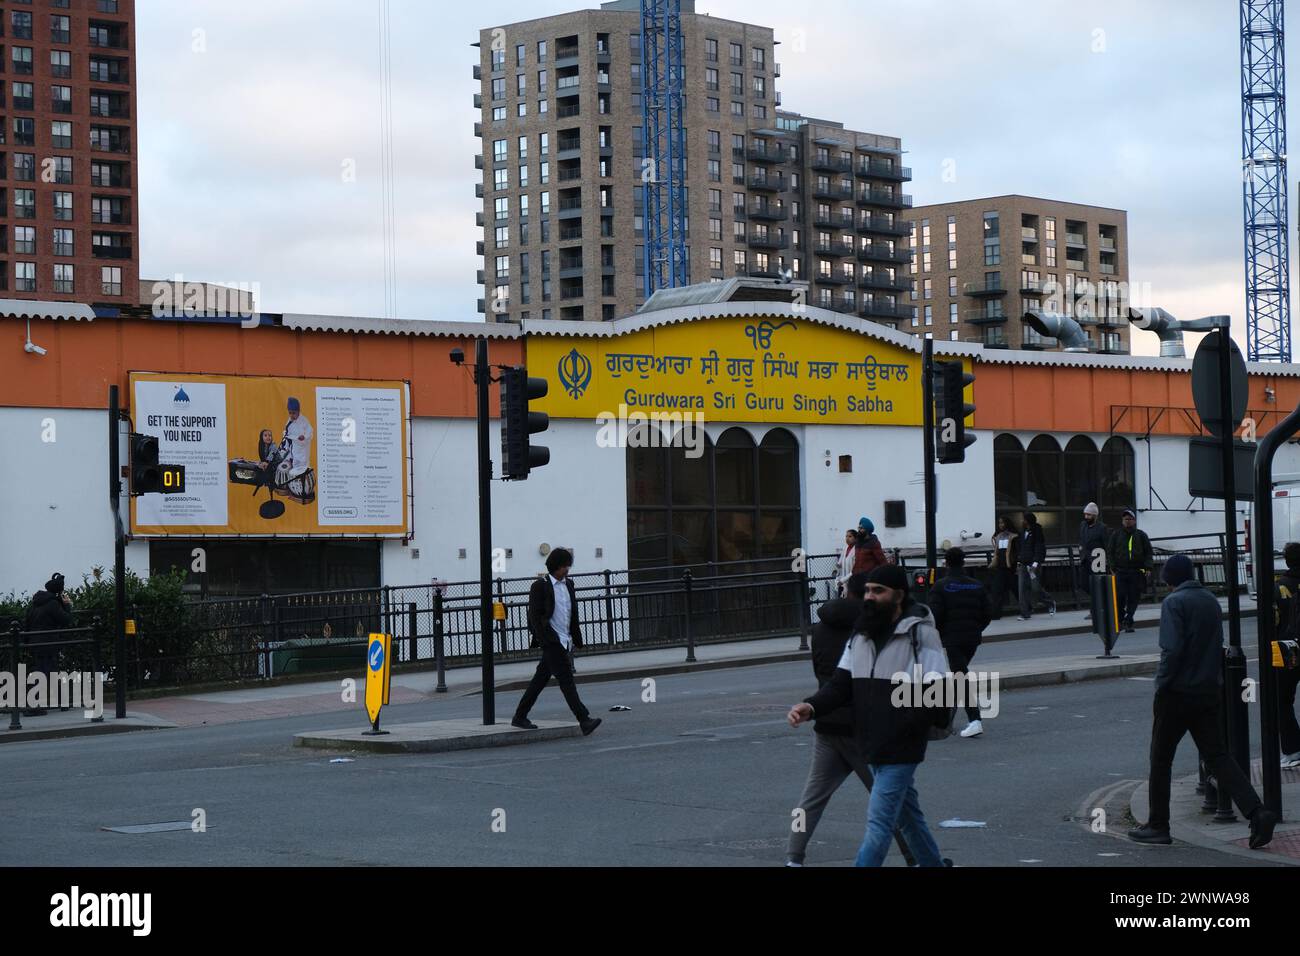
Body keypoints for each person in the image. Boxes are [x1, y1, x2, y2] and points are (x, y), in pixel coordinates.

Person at [788, 565, 951, 868]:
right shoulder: (860, 635)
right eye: (867, 590)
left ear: (898, 595)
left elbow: (938, 693)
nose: (870, 597)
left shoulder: (920, 633)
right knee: (909, 817)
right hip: (869, 742)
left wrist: (905, 722)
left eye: (879, 591)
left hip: (901, 746)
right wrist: (810, 707)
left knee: (878, 825)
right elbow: (840, 686)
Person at [1128, 554, 1277, 848]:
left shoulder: (1174, 603)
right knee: (1218, 757)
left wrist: (1162, 685)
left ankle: (1158, 825)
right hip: (1209, 691)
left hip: (1177, 694)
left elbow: (1171, 650)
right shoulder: (1210, 600)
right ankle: (1258, 812)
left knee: (1160, 760)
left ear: (1170, 578)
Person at [512, 548, 602, 736]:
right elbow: (534, 617)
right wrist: (545, 639)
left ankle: (519, 716)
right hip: (552, 640)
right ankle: (584, 719)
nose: (567, 569)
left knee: (540, 680)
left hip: (565, 639)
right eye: (565, 566)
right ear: (556, 566)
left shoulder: (569, 585)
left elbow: (572, 613)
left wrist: (576, 638)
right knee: (567, 680)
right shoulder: (540, 586)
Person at [927, 548, 993, 738]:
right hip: (972, 637)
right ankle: (945, 721)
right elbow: (988, 612)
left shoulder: (940, 586)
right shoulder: (976, 585)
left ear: (946, 563)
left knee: (959, 676)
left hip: (952, 638)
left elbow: (935, 615)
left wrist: (938, 633)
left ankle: (975, 720)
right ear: (963, 562)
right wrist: (977, 628)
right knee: (959, 675)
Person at [23, 572, 75, 716]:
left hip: (35, 643)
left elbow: (26, 624)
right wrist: (67, 605)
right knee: (44, 672)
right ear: (58, 591)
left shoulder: (35, 603)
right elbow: (66, 620)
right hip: (48, 643)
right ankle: (32, 705)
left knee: (49, 671)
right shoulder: (52, 604)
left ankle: (61, 702)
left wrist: (27, 644)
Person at [1272, 543, 1300, 769]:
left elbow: (1273, 621)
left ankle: (1292, 750)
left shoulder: (1279, 586)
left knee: (1282, 700)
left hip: (1286, 649)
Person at [1107, 508, 1153, 633]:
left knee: (1134, 597)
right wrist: (1112, 567)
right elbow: (1110, 552)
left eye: (1130, 519)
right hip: (1120, 571)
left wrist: (1148, 567)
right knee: (1120, 597)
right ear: (1122, 521)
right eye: (1125, 519)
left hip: (1136, 571)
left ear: (1134, 521)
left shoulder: (1141, 535)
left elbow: (1148, 552)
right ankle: (1121, 619)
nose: (1127, 521)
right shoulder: (1116, 535)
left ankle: (1129, 620)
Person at [1015, 511, 1053, 620]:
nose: (1022, 521)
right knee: (1022, 589)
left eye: (1024, 519)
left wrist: (1036, 563)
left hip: (1033, 565)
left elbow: (1039, 547)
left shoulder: (1037, 532)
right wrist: (1018, 561)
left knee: (1035, 588)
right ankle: (1025, 613)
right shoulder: (1022, 533)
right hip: (1023, 564)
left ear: (1028, 521)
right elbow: (1020, 549)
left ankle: (1050, 602)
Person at [1078, 502, 1109, 619]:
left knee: (1096, 585)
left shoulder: (1102, 528)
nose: (1086, 517)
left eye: (1089, 515)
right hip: (1085, 559)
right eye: (1085, 514)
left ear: (1095, 516)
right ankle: (1101, 602)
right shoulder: (1083, 525)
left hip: (1098, 560)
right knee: (1084, 584)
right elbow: (1081, 539)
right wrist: (1080, 549)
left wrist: (1108, 562)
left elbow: (1107, 545)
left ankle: (1095, 610)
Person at [988, 515, 1018, 620]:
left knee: (1016, 589)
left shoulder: (1014, 536)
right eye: (999, 523)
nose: (1000, 525)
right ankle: (996, 613)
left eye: (1002, 523)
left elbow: (1016, 552)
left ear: (1007, 523)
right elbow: (997, 552)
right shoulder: (998, 536)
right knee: (997, 590)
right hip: (1001, 567)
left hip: (1011, 567)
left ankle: (1027, 608)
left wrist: (1016, 564)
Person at [281, 397, 313, 478]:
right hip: (293, 449)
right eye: (290, 413)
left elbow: (310, 432)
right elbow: (286, 434)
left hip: (302, 450)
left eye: (294, 413)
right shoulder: (289, 422)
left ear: (298, 411)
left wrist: (304, 437)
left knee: (302, 469)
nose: (292, 415)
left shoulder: (304, 421)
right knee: (294, 469)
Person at [834, 529, 858, 597]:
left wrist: (843, 580)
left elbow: (856, 569)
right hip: (844, 582)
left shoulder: (857, 550)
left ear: (855, 538)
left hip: (853, 581)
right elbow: (840, 563)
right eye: (846, 536)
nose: (847, 538)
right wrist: (838, 565)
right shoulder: (845, 548)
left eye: (850, 536)